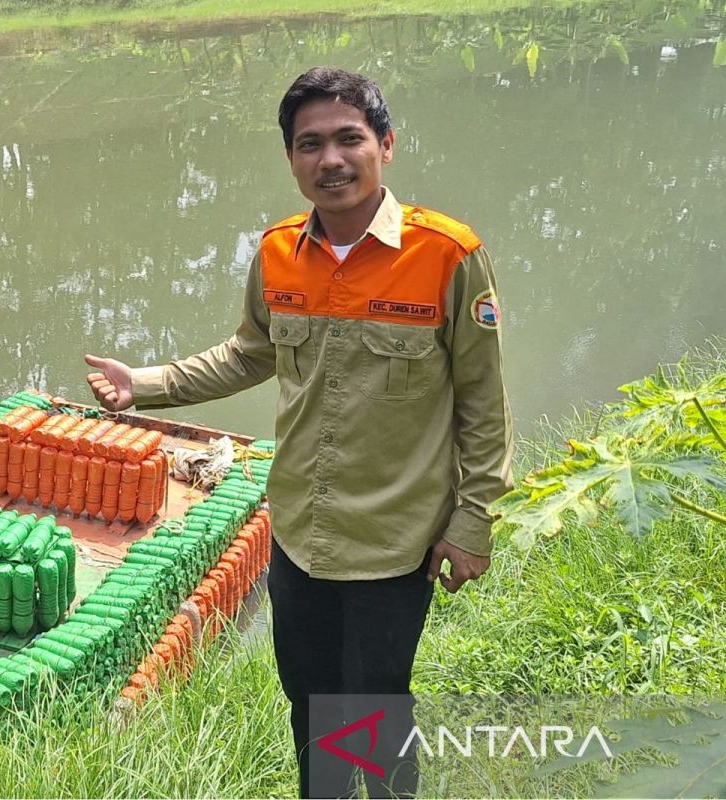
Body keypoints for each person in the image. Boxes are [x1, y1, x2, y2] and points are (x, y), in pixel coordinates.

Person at [84, 66, 513, 799]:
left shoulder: (448, 256)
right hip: (297, 537)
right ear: (291, 159)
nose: (331, 160)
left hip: (394, 540)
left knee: (376, 704)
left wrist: (473, 521)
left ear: (386, 144)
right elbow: (249, 352)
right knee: (308, 700)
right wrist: (142, 386)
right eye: (309, 145)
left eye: (350, 139)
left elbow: (484, 400)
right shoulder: (279, 250)